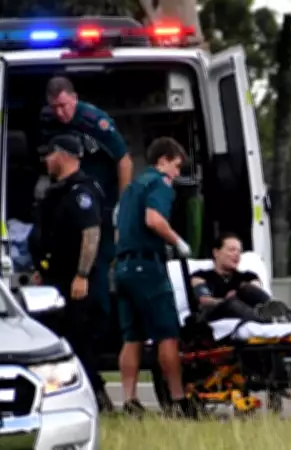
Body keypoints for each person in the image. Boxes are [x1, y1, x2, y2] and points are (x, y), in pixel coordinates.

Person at [39, 76, 134, 340]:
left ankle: (98, 335)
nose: (61, 112)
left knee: (98, 271)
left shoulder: (94, 121)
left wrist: (122, 207)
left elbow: (123, 160)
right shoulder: (48, 121)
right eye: (55, 107)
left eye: (65, 106)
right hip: (69, 196)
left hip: (99, 200)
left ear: (75, 99)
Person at [29, 134, 114, 412]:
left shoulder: (81, 192)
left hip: (76, 281)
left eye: (50, 154)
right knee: (62, 336)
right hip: (56, 277)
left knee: (80, 338)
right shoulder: (58, 191)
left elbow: (91, 234)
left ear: (64, 155)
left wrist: (82, 275)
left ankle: (97, 398)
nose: (46, 160)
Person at [114, 137, 195, 418]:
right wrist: (178, 241)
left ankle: (129, 401)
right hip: (147, 267)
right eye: (176, 166)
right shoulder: (159, 183)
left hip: (123, 268)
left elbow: (118, 229)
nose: (177, 174)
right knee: (167, 334)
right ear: (163, 160)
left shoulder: (130, 188)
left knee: (132, 336)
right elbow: (153, 219)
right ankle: (177, 400)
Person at [191, 232, 290, 323]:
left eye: (239, 251)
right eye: (232, 250)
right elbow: (204, 300)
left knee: (246, 287)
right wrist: (227, 301)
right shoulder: (200, 275)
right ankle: (265, 319)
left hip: (249, 310)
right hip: (216, 314)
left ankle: (279, 311)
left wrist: (237, 295)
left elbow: (256, 294)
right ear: (216, 252)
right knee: (232, 304)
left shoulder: (249, 276)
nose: (237, 254)